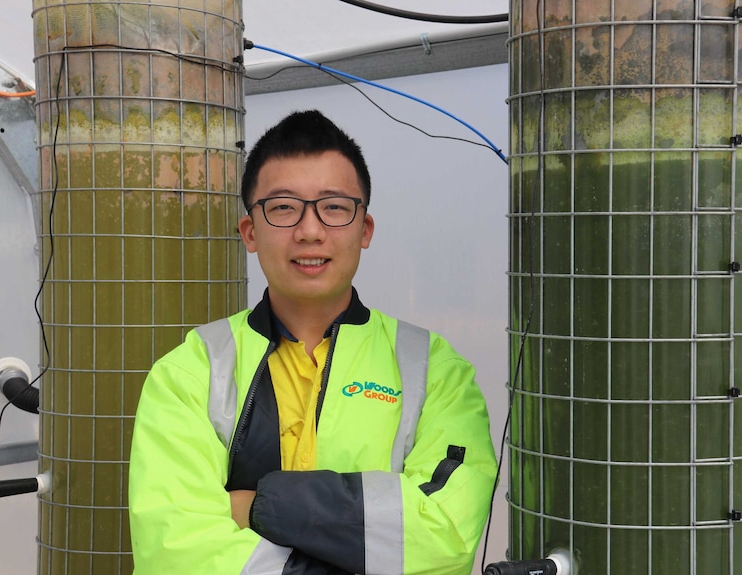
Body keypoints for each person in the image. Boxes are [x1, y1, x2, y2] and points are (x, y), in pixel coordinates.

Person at [128, 110, 498, 574]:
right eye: (283, 207)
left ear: (364, 229)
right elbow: (176, 553)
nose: (309, 230)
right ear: (250, 232)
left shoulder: (434, 369)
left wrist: (258, 505)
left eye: (335, 207)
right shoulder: (189, 372)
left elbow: (446, 533)